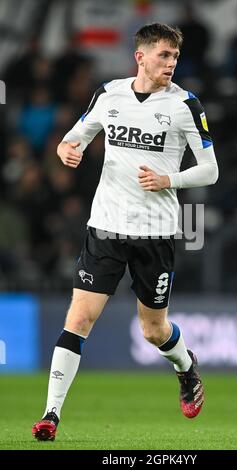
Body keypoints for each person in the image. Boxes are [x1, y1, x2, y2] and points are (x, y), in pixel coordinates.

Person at [32, 23, 218, 441]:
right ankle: (51, 415)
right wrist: (66, 148)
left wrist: (169, 181)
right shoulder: (109, 93)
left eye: (175, 57)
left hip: (156, 233)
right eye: (163, 55)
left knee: (153, 330)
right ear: (141, 56)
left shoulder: (185, 105)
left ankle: (185, 367)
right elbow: (74, 137)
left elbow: (211, 169)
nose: (171, 63)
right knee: (79, 318)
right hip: (106, 227)